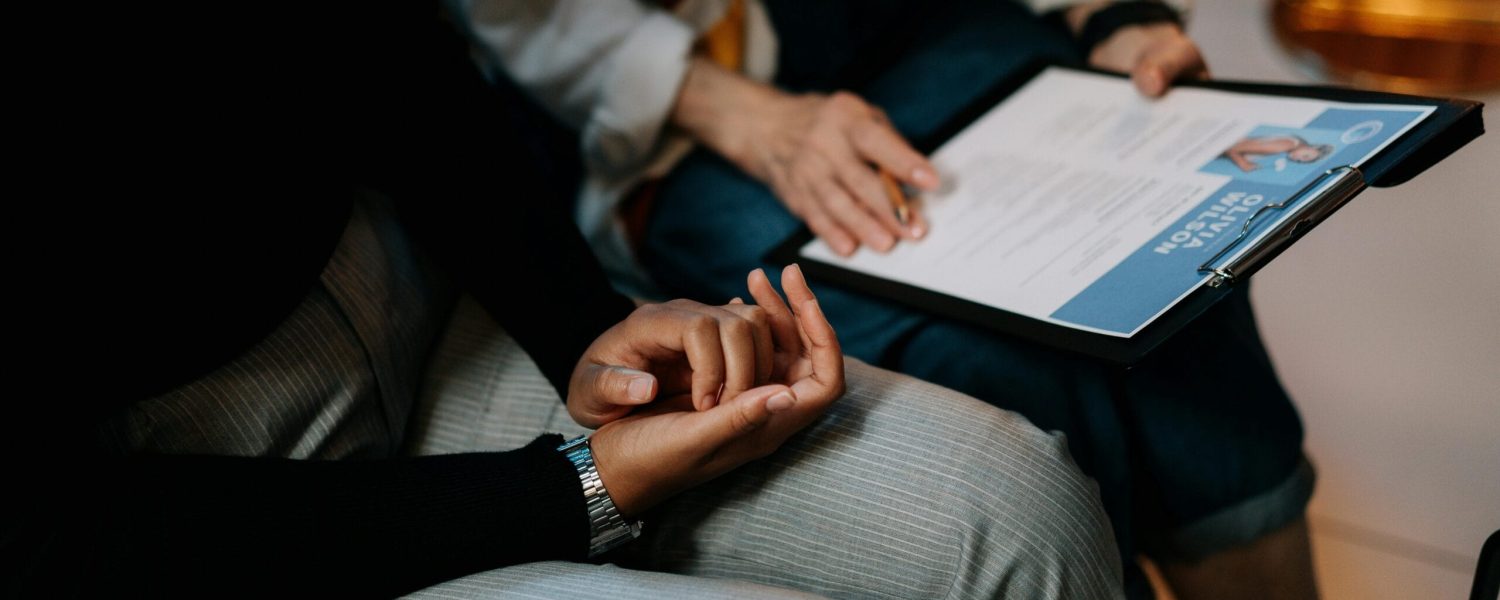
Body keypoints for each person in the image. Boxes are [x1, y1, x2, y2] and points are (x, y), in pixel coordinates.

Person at [5, 2, 1122, 598]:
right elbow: (55, 543)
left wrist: (586, 329)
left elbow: (399, 59)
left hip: (434, 304)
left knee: (1021, 505)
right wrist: (578, 488)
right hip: (181, 517)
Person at [447, 1, 1318, 598]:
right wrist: (740, 114)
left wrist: (1115, 16)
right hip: (654, 110)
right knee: (979, 356)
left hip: (912, 23)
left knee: (1161, 270)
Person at [1223, 134, 1336, 172]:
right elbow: (1232, 148)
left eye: (1301, 161)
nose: (1299, 159)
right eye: (1305, 156)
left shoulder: (1288, 146)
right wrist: (1244, 164)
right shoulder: (1286, 145)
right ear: (1311, 146)